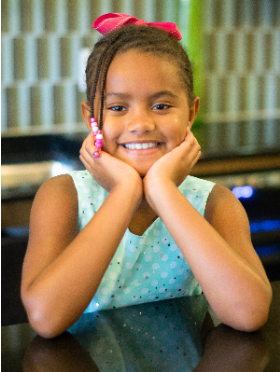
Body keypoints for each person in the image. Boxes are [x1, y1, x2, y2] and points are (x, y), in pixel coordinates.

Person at [21, 13, 272, 339]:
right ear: (90, 119)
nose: (140, 124)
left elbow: (249, 313)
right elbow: (45, 318)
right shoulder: (62, 197)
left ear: (191, 114)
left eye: (162, 106)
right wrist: (125, 191)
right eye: (117, 108)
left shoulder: (215, 204)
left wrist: (162, 190)